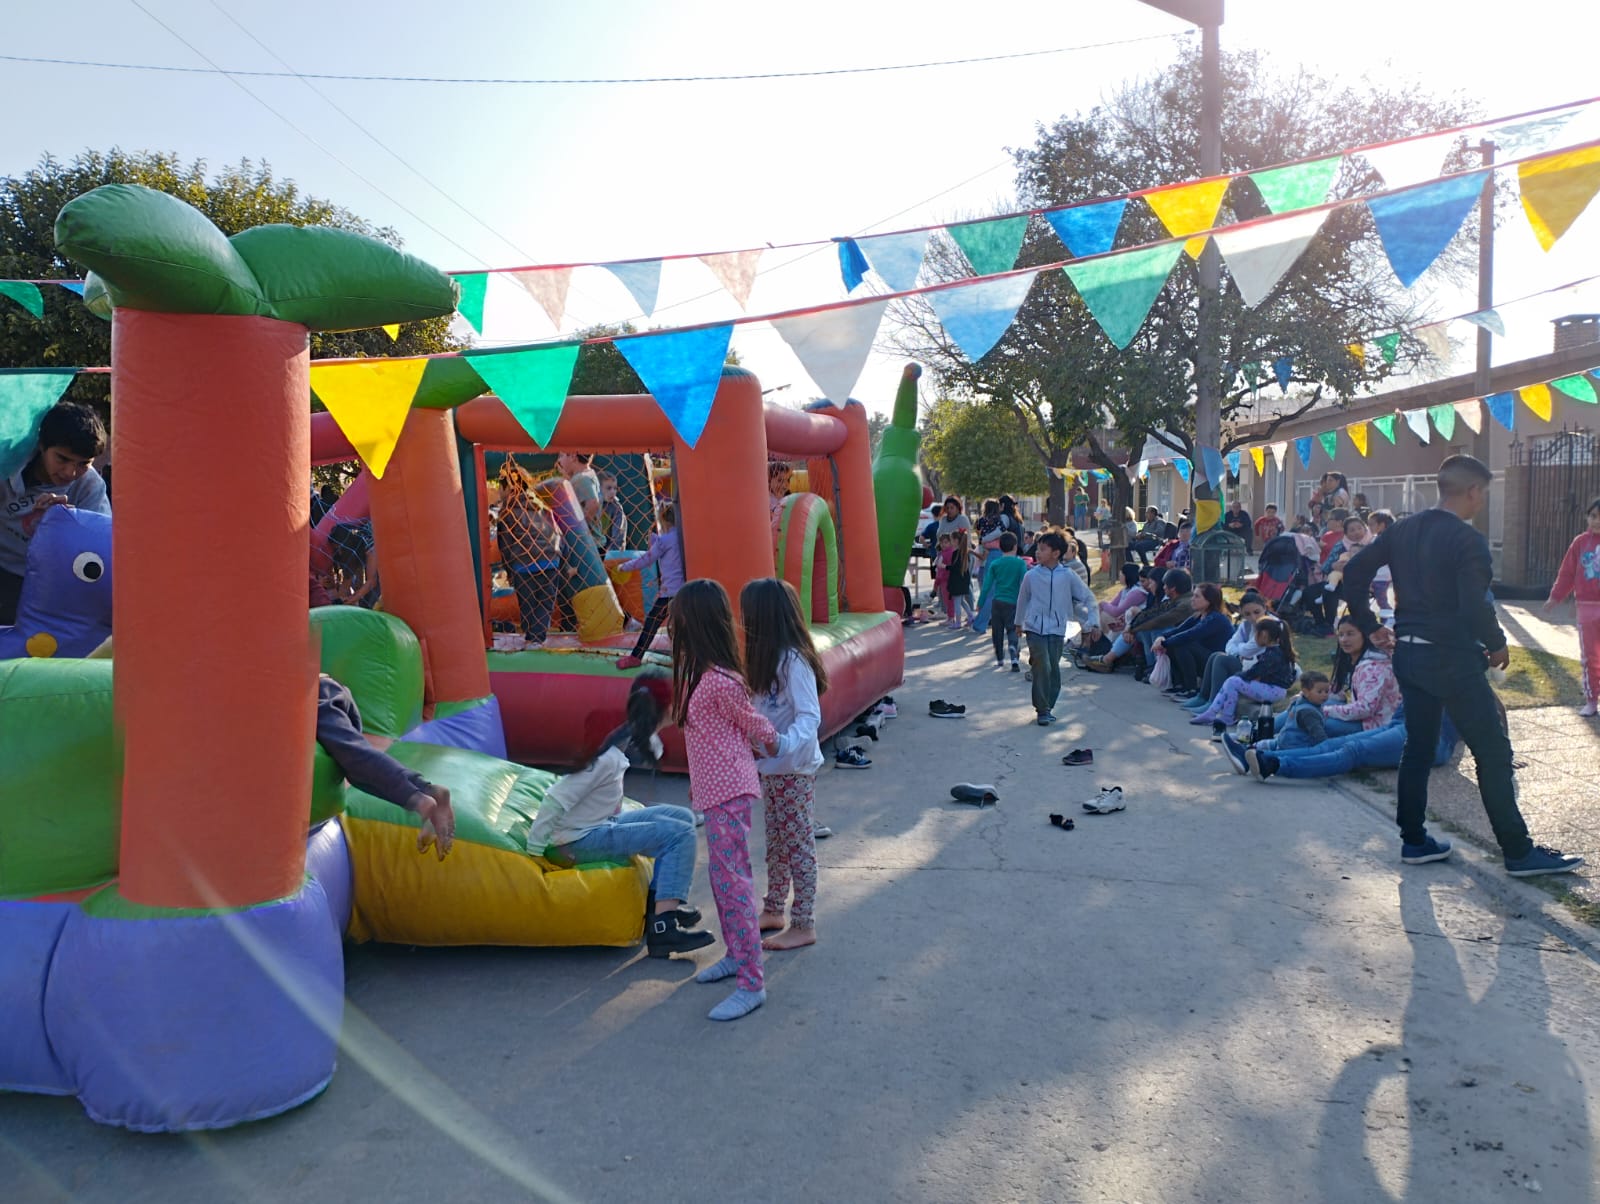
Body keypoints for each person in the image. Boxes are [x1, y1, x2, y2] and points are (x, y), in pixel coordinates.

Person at [1342, 453, 1582, 877]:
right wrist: (1496, 643)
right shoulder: (1467, 540)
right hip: (1450, 656)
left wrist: (1369, 624)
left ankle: (1414, 840)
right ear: (1472, 491)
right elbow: (1473, 605)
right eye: (1483, 494)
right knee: (1492, 751)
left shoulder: (1401, 529)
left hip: (1410, 655)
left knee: (1417, 747)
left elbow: (1355, 573)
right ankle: (1518, 851)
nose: (1481, 503)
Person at [526, 672, 716, 958]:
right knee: (679, 834)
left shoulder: (624, 734)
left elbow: (649, 742)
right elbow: (556, 798)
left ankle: (661, 904)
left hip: (595, 825)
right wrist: (537, 850)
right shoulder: (605, 756)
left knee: (682, 818)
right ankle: (664, 929)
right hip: (576, 840)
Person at [670, 579, 779, 1021]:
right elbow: (709, 739)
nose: (673, 631)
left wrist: (779, 742)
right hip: (717, 793)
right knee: (721, 879)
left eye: (678, 624)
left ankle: (752, 981)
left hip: (731, 793)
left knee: (733, 883)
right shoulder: (702, 676)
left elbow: (754, 725)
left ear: (695, 625)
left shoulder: (720, 682)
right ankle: (737, 954)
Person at [743, 578, 827, 952]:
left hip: (794, 769)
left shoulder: (793, 661)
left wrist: (782, 744)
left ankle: (804, 922)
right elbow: (762, 713)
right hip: (773, 768)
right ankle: (774, 908)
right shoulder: (767, 659)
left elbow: (809, 716)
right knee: (775, 843)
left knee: (798, 845)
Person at [317, 675, 454, 859]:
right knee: (356, 771)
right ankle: (425, 789)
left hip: (316, 693)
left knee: (355, 757)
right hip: (328, 689)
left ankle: (420, 801)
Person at [1, 402, 111, 624]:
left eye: (83, 464)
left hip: (56, 582)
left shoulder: (89, 484)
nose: (70, 472)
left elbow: (103, 547)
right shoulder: (7, 466)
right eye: (62, 458)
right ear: (41, 446)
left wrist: (70, 524)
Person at [1222, 707, 1459, 782]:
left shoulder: (1461, 663)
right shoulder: (1423, 649)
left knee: (1353, 751)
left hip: (1431, 739)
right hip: (1402, 723)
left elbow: (1491, 715)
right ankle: (1253, 756)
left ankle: (1274, 765)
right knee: (1333, 743)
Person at [1014, 531, 1097, 725]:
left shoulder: (1068, 575)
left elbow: (1087, 597)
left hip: (1058, 629)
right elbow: (1022, 599)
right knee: (1042, 664)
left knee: (1053, 668)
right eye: (1038, 549)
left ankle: (1048, 706)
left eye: (1043, 549)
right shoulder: (1031, 575)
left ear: (1056, 553)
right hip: (1034, 628)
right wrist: (1018, 622)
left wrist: (1092, 621)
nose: (1038, 553)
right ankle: (1041, 709)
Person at [1544, 496, 1600, 717]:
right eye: (1593, 516)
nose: (1596, 521)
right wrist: (1555, 597)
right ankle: (1591, 699)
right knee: (1589, 656)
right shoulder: (1580, 543)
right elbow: (1567, 572)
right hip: (1586, 608)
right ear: (1587, 516)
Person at [1189, 615, 1297, 731]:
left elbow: (1256, 671)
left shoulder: (1273, 654)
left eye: (1256, 633)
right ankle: (1217, 713)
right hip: (1274, 689)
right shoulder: (1277, 651)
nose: (1255, 637)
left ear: (1264, 634)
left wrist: (1239, 675)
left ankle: (1221, 714)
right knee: (1233, 682)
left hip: (1274, 691)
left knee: (1233, 681)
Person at [613, 502, 683, 670]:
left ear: (663, 520)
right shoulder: (681, 537)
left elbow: (646, 560)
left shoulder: (665, 540)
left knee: (651, 624)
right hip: (684, 590)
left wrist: (624, 566)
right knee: (680, 626)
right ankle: (682, 656)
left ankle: (636, 657)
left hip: (669, 593)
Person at [497, 462, 560, 644]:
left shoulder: (507, 512)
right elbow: (556, 532)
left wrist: (509, 571)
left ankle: (532, 635)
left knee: (528, 603)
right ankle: (536, 636)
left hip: (523, 565)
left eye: (501, 488)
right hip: (549, 561)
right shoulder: (539, 505)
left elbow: (506, 545)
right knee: (544, 602)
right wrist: (557, 555)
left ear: (507, 487)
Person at [1182, 591, 1267, 711]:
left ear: (1265, 608)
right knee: (1216, 655)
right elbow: (1230, 645)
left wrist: (1241, 648)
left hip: (1264, 671)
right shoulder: (1246, 625)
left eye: (1257, 612)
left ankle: (1214, 703)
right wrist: (1241, 650)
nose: (1253, 617)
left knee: (1221, 659)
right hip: (1249, 665)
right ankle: (1203, 697)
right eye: (1247, 614)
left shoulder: (1271, 625)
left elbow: (1249, 649)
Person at [1321, 613, 1400, 733]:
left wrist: (1325, 710)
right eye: (1341, 635)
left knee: (1318, 720)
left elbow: (1365, 708)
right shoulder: (1353, 660)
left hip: (1377, 726)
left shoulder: (1372, 667)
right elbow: (1337, 692)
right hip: (1365, 720)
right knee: (1305, 705)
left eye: (1350, 634)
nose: (1344, 640)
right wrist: (1307, 696)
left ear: (1365, 635)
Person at [1153, 582, 1232, 698]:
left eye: (1197, 596)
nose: (1192, 600)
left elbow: (1190, 635)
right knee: (1174, 643)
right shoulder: (1198, 615)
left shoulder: (1216, 619)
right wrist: (1161, 638)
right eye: (1193, 595)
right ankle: (1180, 684)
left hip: (1216, 664)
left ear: (1209, 600)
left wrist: (1164, 643)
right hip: (1205, 659)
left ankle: (1192, 689)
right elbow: (1178, 630)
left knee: (1183, 644)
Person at [1255, 671, 1333, 752]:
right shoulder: (1308, 713)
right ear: (1306, 692)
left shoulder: (1301, 702)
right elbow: (1319, 735)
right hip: (1296, 745)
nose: (1324, 695)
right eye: (1319, 692)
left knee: (1274, 744)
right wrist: (1330, 747)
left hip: (1286, 739)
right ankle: (1263, 756)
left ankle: (1257, 746)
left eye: (1327, 691)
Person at [985, 531, 1026, 671]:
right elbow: (1025, 583)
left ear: (1000, 547)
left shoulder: (995, 564)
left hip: (997, 602)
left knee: (997, 631)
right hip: (1013, 602)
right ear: (1015, 546)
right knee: (1012, 629)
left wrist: (980, 602)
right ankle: (1014, 653)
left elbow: (987, 585)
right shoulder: (1020, 563)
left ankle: (1000, 658)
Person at [328, 518, 380, 610]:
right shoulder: (354, 553)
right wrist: (340, 599)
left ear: (347, 544)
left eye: (339, 549)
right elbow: (347, 581)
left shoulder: (369, 546)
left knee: (372, 597)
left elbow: (372, 581)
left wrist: (353, 599)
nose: (339, 553)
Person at [557, 451, 602, 536]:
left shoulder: (582, 478)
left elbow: (593, 504)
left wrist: (576, 529)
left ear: (573, 456)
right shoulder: (588, 474)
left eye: (561, 456)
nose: (558, 461)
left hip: (587, 543)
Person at [941, 528, 975, 630]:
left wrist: (944, 566)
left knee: (957, 602)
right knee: (961, 601)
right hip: (962, 580)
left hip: (958, 581)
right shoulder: (962, 552)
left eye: (951, 540)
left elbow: (955, 568)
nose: (950, 542)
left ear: (956, 541)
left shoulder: (957, 553)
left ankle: (958, 622)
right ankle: (970, 615)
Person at [597, 471, 628, 553]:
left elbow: (618, 536)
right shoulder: (593, 503)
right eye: (609, 488)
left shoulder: (616, 507)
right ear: (598, 488)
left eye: (615, 488)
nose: (613, 492)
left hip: (610, 549)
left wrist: (611, 553)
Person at [767, 461, 792, 548]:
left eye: (787, 480)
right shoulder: (767, 499)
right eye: (780, 480)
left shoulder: (788, 498)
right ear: (769, 481)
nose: (784, 485)